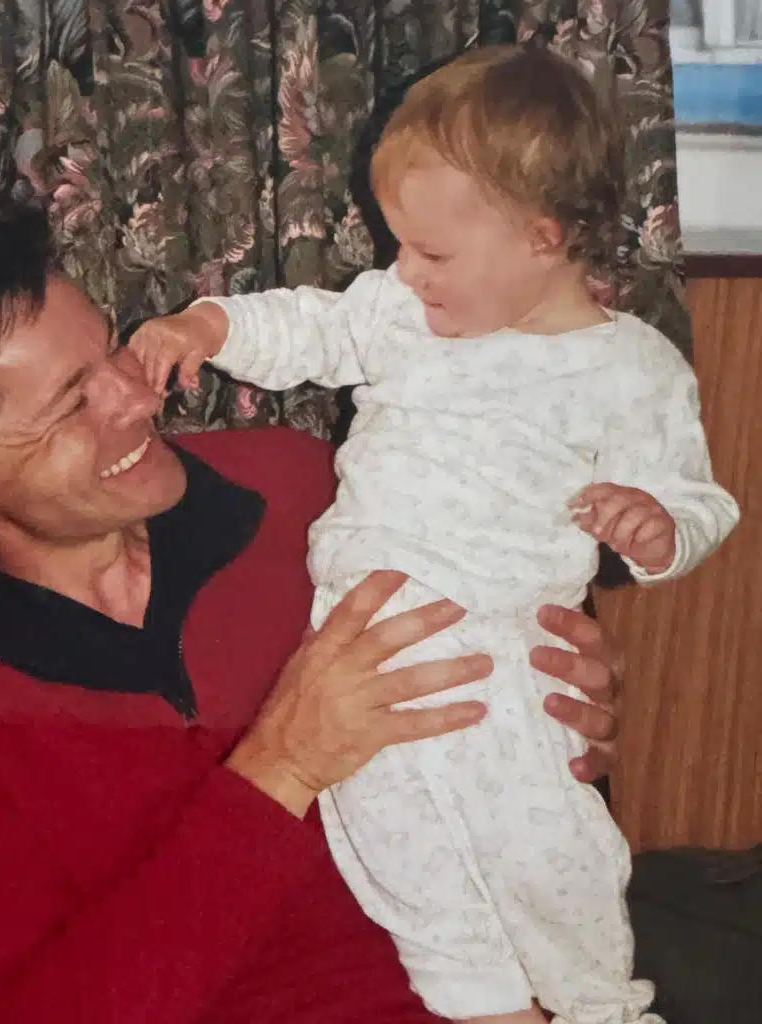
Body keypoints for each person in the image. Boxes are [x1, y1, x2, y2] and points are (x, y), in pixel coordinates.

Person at [0, 199, 623, 1024]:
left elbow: (524, 698)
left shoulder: (310, 490)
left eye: (113, 348)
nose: (139, 398)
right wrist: (281, 770)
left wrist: (557, 700)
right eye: (74, 403)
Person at [129, 45, 739, 1024]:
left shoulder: (629, 370)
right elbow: (312, 325)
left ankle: (599, 1003)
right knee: (395, 841)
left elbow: (700, 498)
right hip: (363, 642)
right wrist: (209, 326)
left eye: (432, 253)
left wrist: (659, 526)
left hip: (504, 653)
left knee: (545, 847)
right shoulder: (401, 314)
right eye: (400, 246)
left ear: (542, 238)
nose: (404, 272)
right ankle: (481, 1005)